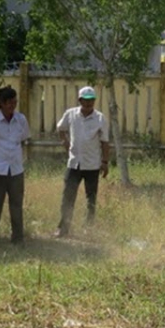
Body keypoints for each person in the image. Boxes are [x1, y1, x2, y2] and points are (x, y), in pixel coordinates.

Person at [54, 86, 110, 237]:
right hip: (74, 163)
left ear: (94, 101)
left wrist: (105, 162)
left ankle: (88, 229)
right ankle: (63, 228)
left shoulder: (100, 118)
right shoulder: (71, 114)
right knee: (68, 196)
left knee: (90, 198)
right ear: (80, 100)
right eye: (85, 101)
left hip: (92, 164)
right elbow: (60, 128)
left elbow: (105, 142)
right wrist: (64, 142)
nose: (88, 104)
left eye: (91, 100)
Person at [0, 86, 30, 244]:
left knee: (16, 204)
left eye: (14, 103)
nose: (12, 106)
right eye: (8, 103)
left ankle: (17, 237)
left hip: (16, 169)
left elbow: (23, 138)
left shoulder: (21, 119)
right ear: (1, 103)